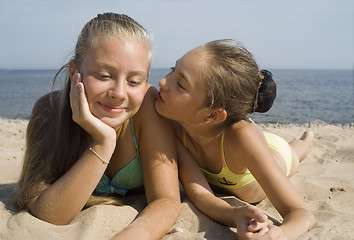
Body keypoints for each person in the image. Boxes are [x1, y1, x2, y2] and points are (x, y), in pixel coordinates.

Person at [15, 13, 180, 239]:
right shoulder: (48, 111)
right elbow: (49, 214)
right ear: (74, 74)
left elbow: (166, 200)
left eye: (134, 81)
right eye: (104, 76)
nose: (119, 93)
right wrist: (103, 143)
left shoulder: (147, 107)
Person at [155, 39, 316, 239]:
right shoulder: (173, 126)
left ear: (212, 115)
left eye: (180, 84)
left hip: (276, 153)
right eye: (173, 69)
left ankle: (308, 138)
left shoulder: (242, 136)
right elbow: (200, 194)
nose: (163, 82)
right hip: (255, 146)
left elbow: (301, 214)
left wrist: (279, 234)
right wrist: (235, 214)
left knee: (296, 152)